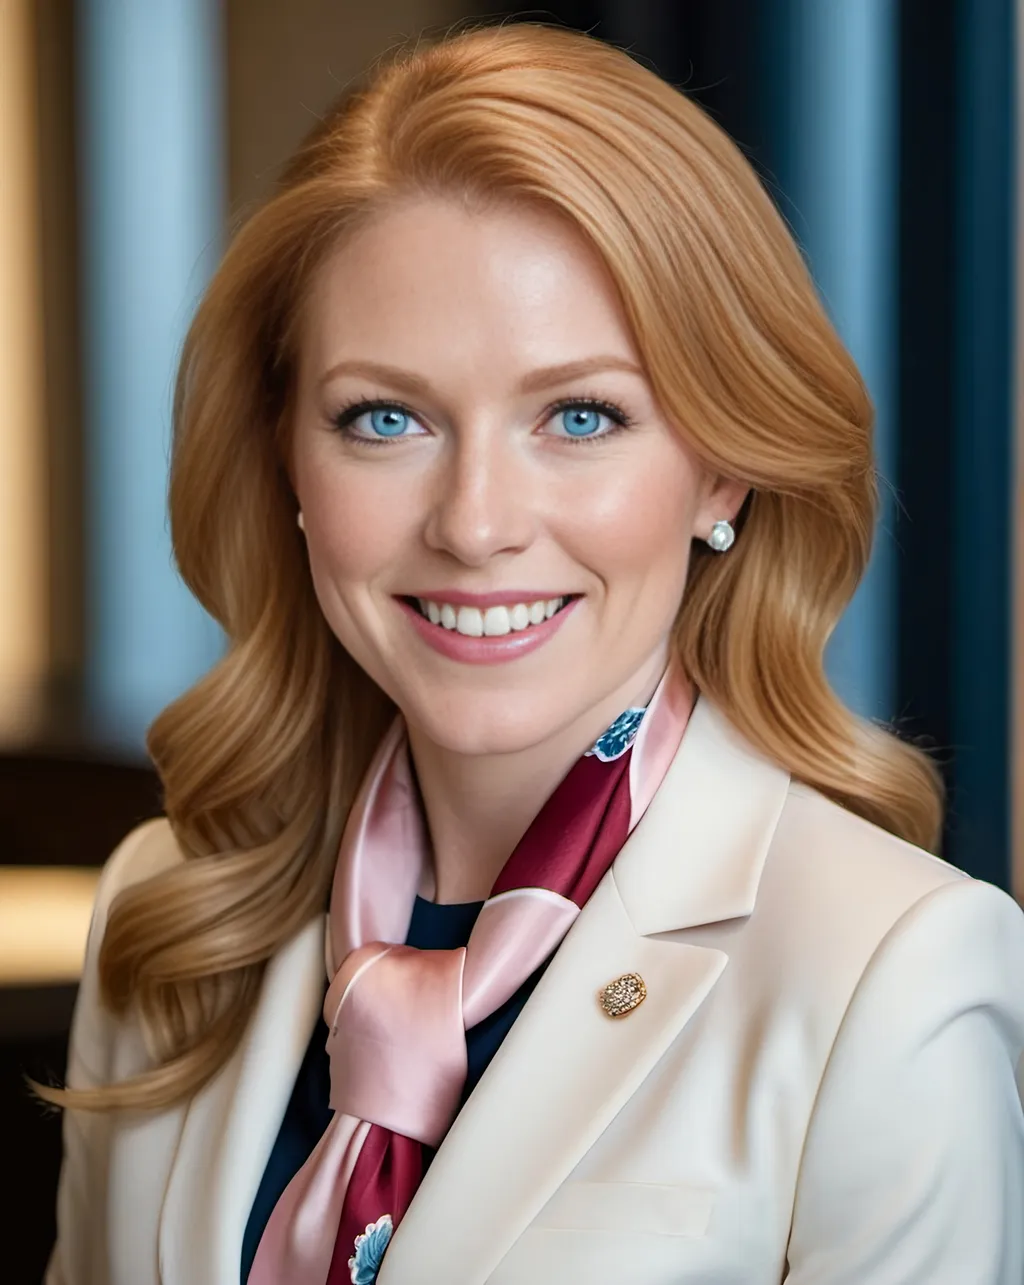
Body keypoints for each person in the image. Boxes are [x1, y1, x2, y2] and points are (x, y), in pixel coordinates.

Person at [45, 21, 1024, 1285]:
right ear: (286, 455)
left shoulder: (891, 974)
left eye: (579, 415)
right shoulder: (162, 910)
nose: (476, 523)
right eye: (383, 418)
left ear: (721, 465)